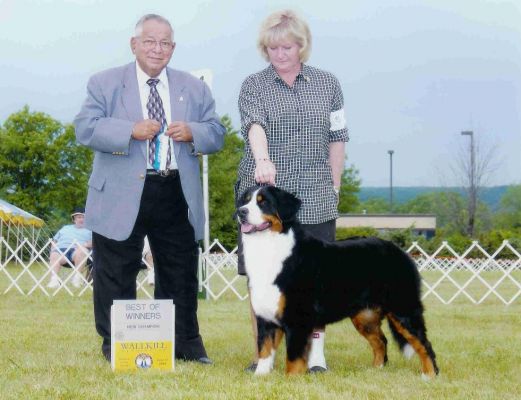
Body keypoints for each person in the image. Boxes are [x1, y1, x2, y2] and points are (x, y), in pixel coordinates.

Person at [74, 14, 225, 364]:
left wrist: (194, 133)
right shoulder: (104, 83)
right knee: (114, 272)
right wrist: (129, 130)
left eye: (166, 43)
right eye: (150, 41)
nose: (158, 49)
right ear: (134, 45)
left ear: (173, 48)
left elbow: (216, 132)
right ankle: (116, 346)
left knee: (181, 271)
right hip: (119, 191)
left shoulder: (195, 87)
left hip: (175, 190)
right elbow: (85, 128)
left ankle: (186, 345)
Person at [235, 9, 349, 373]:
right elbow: (254, 125)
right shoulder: (254, 85)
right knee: (262, 278)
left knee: (315, 280)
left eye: (287, 47)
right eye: (272, 48)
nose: (279, 54)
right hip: (268, 196)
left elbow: (337, 138)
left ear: (302, 46)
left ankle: (315, 356)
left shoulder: (329, 84)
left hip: (315, 197)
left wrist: (335, 185)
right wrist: (263, 160)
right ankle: (263, 354)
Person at [47, 207, 92, 289]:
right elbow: (54, 240)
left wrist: (84, 245)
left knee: (82, 251)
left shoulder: (90, 230)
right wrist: (53, 249)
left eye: (84, 217)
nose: (81, 219)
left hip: (77, 250)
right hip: (61, 250)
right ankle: (54, 280)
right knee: (54, 254)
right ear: (74, 219)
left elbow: (93, 243)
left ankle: (77, 278)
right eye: (79, 217)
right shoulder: (65, 228)